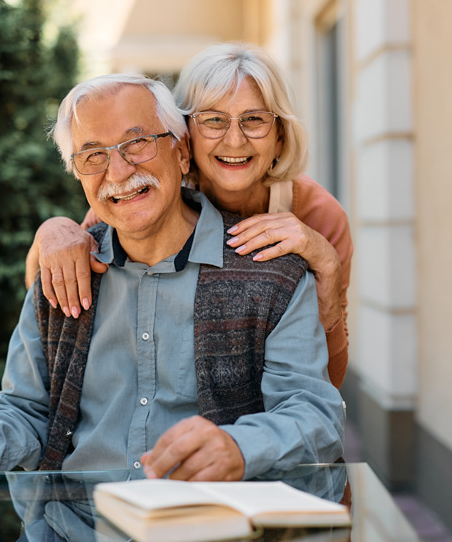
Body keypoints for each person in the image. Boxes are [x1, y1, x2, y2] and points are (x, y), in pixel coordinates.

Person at [0, 74, 344, 483]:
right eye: (92, 155)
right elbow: (26, 408)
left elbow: (313, 415)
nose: (117, 171)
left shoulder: (271, 272)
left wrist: (240, 447)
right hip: (72, 528)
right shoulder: (65, 269)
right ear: (78, 173)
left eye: (136, 142)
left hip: (207, 526)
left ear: (181, 152)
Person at [26, 42, 353, 388]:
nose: (234, 140)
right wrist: (52, 230)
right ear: (185, 135)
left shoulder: (318, 216)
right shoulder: (147, 196)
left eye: (254, 119)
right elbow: (47, 293)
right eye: (213, 120)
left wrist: (328, 270)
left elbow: (325, 386)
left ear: (280, 135)